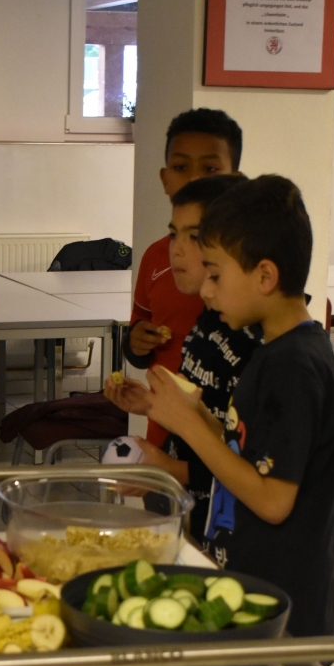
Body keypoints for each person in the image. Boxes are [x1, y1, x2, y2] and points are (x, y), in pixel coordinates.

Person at [144, 174, 334, 666]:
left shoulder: (294, 364)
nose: (205, 290)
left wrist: (191, 428)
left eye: (216, 274)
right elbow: (249, 458)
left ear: (265, 275)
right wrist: (191, 415)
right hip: (261, 599)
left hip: (290, 612)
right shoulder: (274, 351)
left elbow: (272, 497)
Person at [106, 174, 261, 541]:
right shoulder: (207, 322)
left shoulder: (261, 345)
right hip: (191, 508)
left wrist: (168, 469)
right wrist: (151, 405)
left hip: (230, 526)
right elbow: (209, 423)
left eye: (193, 236)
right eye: (174, 234)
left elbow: (251, 470)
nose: (175, 250)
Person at [123, 107, 243, 445]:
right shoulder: (156, 256)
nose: (194, 180)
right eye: (180, 168)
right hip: (166, 433)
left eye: (210, 169)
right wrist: (136, 342)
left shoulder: (246, 267)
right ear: (165, 179)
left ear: (233, 179)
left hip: (225, 440)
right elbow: (140, 326)